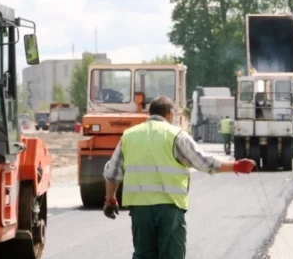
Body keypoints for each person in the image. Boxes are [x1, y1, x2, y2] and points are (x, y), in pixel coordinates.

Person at [102, 96, 256, 258]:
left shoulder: (129, 136)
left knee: (143, 254)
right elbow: (204, 162)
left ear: (150, 113)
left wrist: (110, 200)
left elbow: (112, 173)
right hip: (169, 208)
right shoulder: (175, 135)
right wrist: (236, 166)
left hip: (139, 209)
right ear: (169, 114)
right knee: (172, 255)